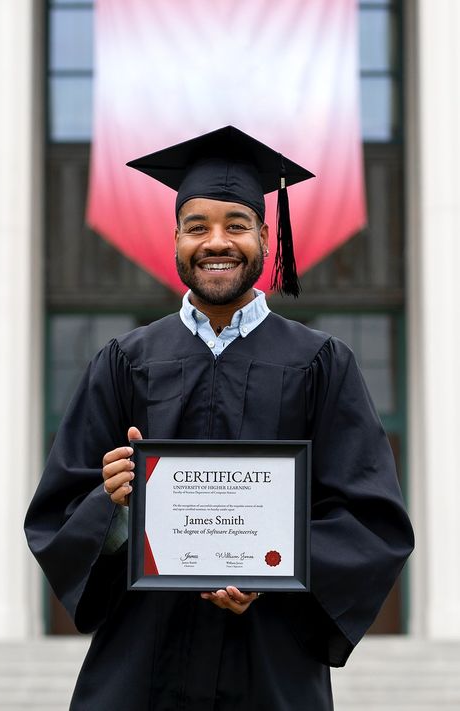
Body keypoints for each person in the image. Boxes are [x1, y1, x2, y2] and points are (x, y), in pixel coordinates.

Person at [25, 126, 414, 710]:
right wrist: (113, 506)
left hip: (271, 661)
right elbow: (58, 512)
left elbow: (373, 518)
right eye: (197, 226)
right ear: (175, 238)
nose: (216, 242)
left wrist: (272, 572)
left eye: (236, 225)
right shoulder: (124, 363)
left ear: (264, 233)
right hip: (142, 665)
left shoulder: (320, 364)